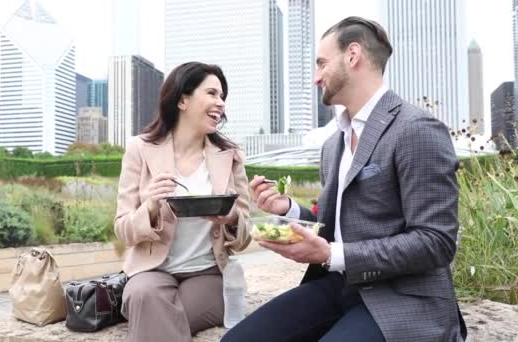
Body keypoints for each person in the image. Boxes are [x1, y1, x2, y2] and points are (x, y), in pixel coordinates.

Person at [222, 16, 467, 342]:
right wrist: (290, 209)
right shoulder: (333, 143)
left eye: (322, 63)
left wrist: (331, 255)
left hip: (403, 296)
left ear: (353, 56)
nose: (315, 77)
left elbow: (435, 242)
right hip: (339, 285)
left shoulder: (416, 130)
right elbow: (334, 227)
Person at [114, 62, 252, 342]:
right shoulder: (139, 149)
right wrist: (150, 206)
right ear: (182, 100)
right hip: (151, 271)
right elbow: (122, 229)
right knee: (143, 295)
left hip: (208, 274)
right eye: (212, 93)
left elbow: (245, 236)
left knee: (154, 316)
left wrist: (232, 219)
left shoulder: (230, 155)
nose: (220, 103)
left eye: (223, 96)